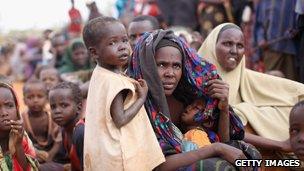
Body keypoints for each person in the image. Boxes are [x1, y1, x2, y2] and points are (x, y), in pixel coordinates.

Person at [128, 29, 261, 170]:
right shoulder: (136, 104)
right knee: (215, 167)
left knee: (249, 154)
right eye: (161, 64)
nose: (170, 74)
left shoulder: (186, 97)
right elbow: (159, 165)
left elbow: (225, 141)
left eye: (176, 66)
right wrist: (216, 149)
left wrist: (223, 109)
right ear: (147, 67)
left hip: (194, 156)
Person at [198, 23, 304, 155]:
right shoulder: (198, 78)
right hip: (206, 147)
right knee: (240, 112)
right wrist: (280, 145)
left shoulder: (247, 77)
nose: (234, 51)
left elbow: (295, 92)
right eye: (227, 44)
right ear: (212, 46)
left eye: (240, 46)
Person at [82, 16, 165, 170]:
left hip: (106, 154)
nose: (122, 47)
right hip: (122, 158)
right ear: (94, 53)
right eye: (112, 43)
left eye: (124, 40)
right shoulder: (115, 81)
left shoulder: (101, 74)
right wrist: (141, 98)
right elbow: (120, 119)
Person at [0, 81, 39, 170]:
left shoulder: (21, 135)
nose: (4, 113)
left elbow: (29, 169)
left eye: (9, 106)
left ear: (17, 109)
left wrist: (18, 145)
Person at [254, 0, 298, 80]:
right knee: (270, 84)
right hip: (271, 50)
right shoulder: (264, 2)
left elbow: (299, 20)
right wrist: (261, 40)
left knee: (290, 85)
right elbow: (259, 25)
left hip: (290, 51)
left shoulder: (295, 1)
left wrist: (295, 30)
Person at [22, 79, 61, 163]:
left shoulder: (53, 117)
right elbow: (20, 141)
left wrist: (50, 155)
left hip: (52, 155)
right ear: (24, 100)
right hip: (30, 155)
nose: (35, 100)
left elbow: (59, 139)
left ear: (47, 99)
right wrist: (35, 153)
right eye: (30, 97)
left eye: (39, 96)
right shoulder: (22, 119)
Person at [49, 82, 85, 171]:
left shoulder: (81, 132)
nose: (57, 111)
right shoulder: (64, 129)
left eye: (64, 105)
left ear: (79, 107)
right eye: (53, 107)